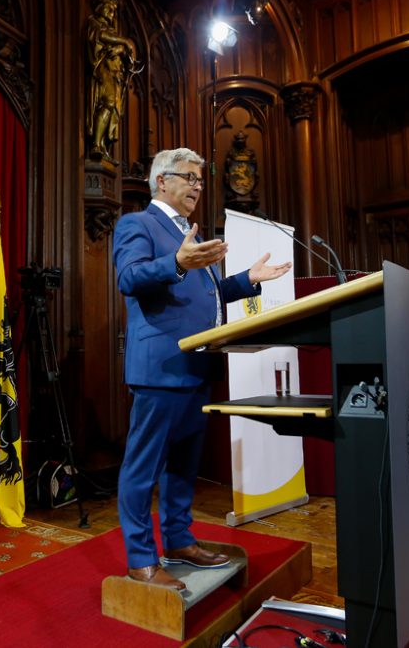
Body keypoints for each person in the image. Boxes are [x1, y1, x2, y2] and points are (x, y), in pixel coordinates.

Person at [112, 147, 292, 589]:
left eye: (199, 179)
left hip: (197, 366)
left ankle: (178, 539)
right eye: (189, 178)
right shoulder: (137, 224)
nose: (197, 185)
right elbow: (128, 278)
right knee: (143, 467)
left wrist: (247, 278)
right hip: (160, 367)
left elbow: (205, 296)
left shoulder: (188, 233)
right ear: (161, 181)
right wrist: (175, 262)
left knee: (182, 466)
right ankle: (141, 558)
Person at [86, 0, 136, 160]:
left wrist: (121, 49)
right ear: (100, 6)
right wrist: (124, 42)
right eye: (109, 8)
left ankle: (102, 146)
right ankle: (95, 144)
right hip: (104, 69)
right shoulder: (94, 23)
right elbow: (100, 36)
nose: (112, 14)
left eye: (114, 11)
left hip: (116, 74)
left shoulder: (112, 31)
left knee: (114, 108)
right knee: (107, 103)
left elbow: (128, 54)